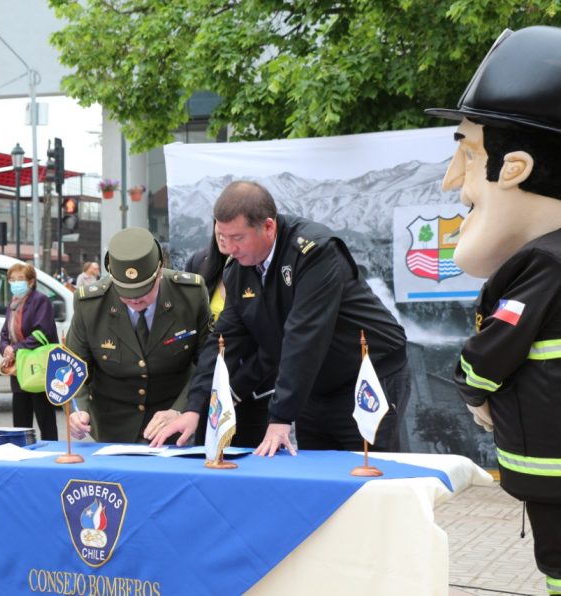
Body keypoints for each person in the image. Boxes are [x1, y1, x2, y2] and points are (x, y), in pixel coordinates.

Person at [426, 25, 561, 595]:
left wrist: (473, 389)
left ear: (516, 167)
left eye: (468, 151)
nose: (453, 180)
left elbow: (494, 348)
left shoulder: (546, 265)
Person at [150, 181, 410, 455]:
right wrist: (195, 408)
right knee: (318, 476)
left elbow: (304, 337)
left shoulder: (315, 252)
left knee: (373, 474)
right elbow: (223, 342)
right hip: (314, 386)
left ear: (269, 227)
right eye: (222, 237)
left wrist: (280, 418)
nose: (229, 249)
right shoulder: (238, 271)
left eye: (238, 238)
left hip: (367, 376)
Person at [66, 227, 211, 443]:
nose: (135, 300)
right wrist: (78, 410)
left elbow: (207, 363)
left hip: (174, 426)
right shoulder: (90, 305)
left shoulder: (190, 294)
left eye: (144, 291)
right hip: (113, 427)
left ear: (160, 271)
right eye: (125, 293)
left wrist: (183, 410)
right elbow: (73, 367)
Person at [184, 228, 268, 448]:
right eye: (220, 229)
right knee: (207, 457)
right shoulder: (199, 263)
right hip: (209, 386)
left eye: (235, 233)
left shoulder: (259, 264)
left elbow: (270, 340)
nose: (225, 238)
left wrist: (234, 390)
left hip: (253, 386)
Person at [0, 263, 60, 439]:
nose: (15, 283)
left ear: (31, 282)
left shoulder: (40, 300)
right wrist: (6, 348)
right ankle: (22, 450)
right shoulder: (12, 304)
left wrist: (15, 348)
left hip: (37, 366)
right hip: (18, 367)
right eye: (12, 280)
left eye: (20, 279)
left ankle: (50, 451)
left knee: (44, 415)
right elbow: (4, 333)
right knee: (20, 416)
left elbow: (43, 332)